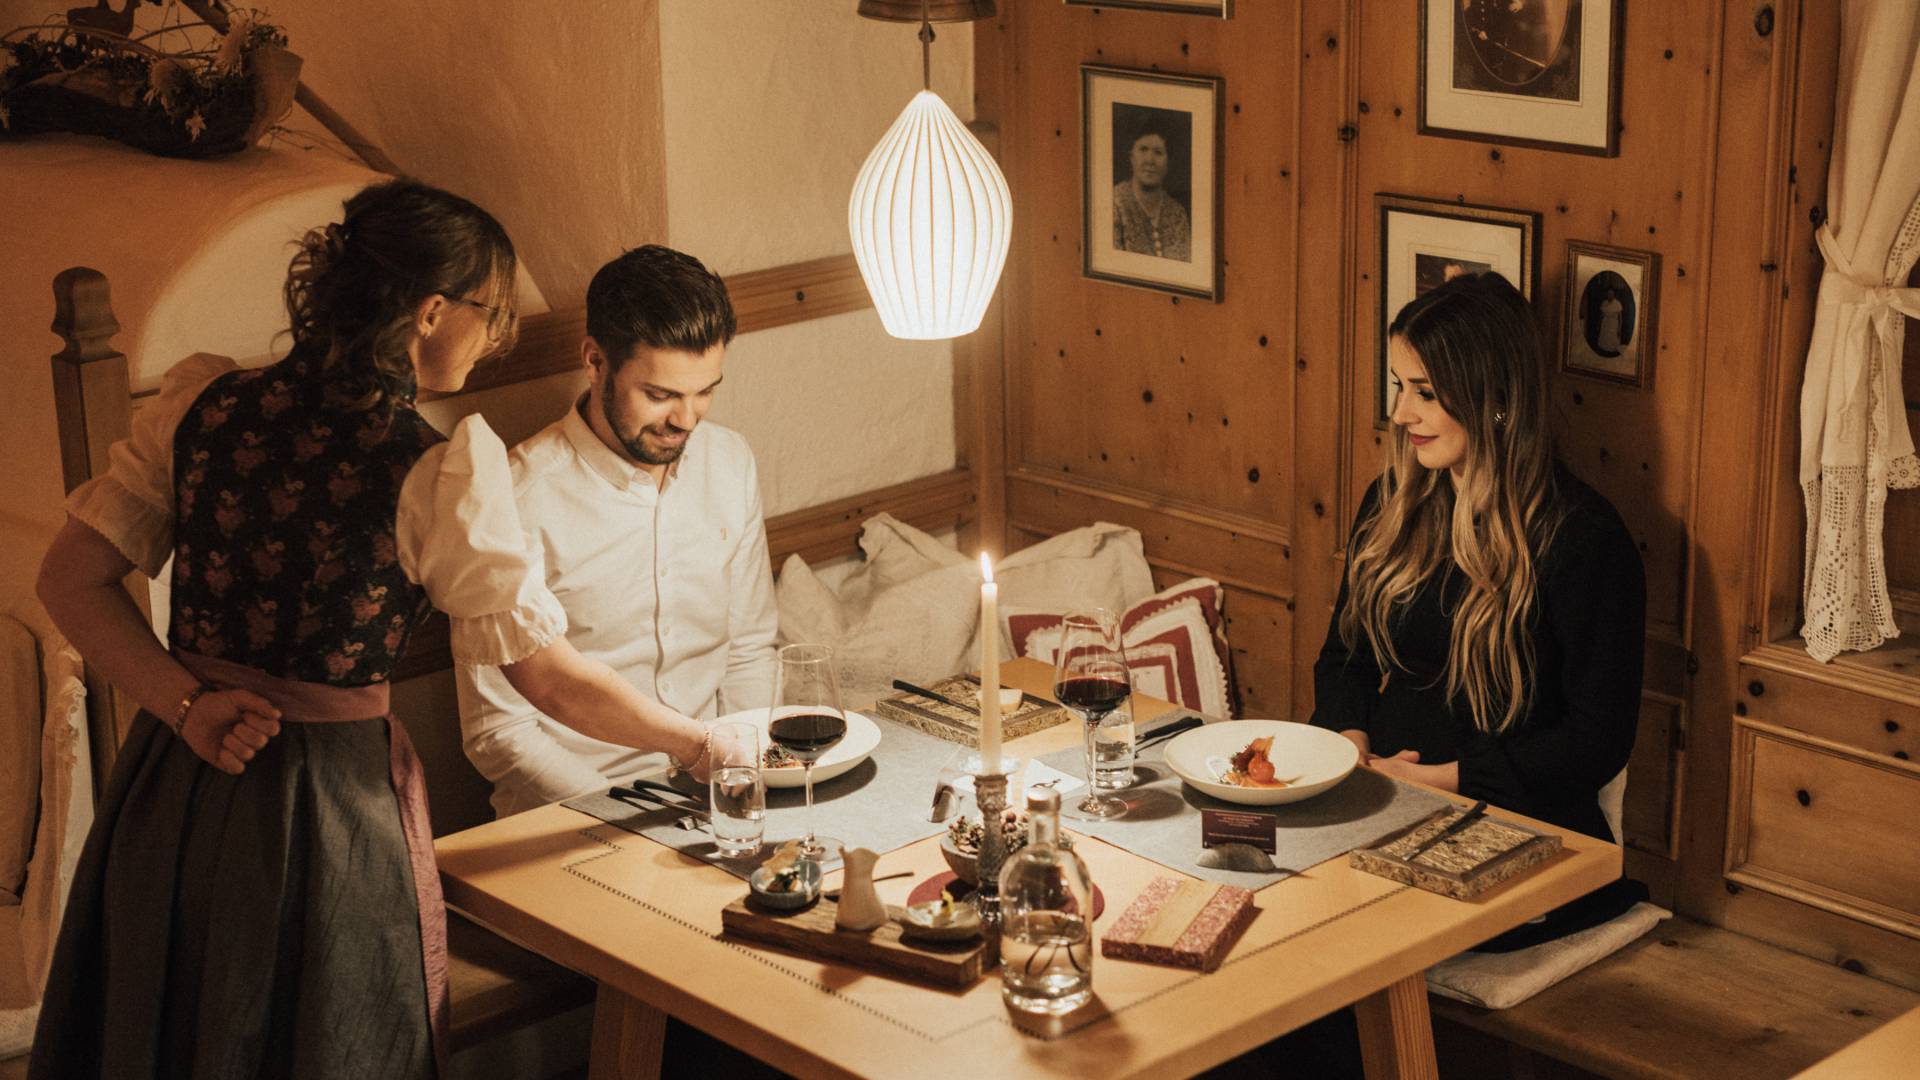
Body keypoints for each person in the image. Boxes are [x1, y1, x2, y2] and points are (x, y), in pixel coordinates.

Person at [30, 180, 727, 1080]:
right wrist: (696, 741)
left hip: (176, 785)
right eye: (493, 313)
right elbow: (545, 678)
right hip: (324, 810)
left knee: (174, 1028)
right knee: (332, 1041)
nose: (500, 337)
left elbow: (69, 580)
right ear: (431, 312)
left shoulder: (205, 405)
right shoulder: (436, 468)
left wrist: (187, 703)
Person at [1311, 270, 1647, 948]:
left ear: (1494, 400)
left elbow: (1597, 739)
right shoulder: (1392, 503)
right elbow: (1343, 660)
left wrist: (1442, 777)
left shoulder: (1583, 538)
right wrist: (1352, 748)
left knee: (1341, 949)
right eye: (1399, 386)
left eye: (1426, 394)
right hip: (1382, 800)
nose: (1401, 413)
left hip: (1524, 826)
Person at [456, 244, 778, 817]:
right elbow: (500, 732)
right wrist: (634, 816)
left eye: (704, 391)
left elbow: (750, 648)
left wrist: (744, 774)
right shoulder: (513, 498)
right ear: (595, 360)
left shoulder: (728, 461)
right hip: (573, 812)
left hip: (717, 790)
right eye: (660, 395)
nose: (685, 420)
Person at [1112, 121, 1191, 261]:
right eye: (1143, 150)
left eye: (1158, 152)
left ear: (1168, 162)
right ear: (1131, 156)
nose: (1150, 160)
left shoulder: (1177, 213)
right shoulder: (1114, 204)